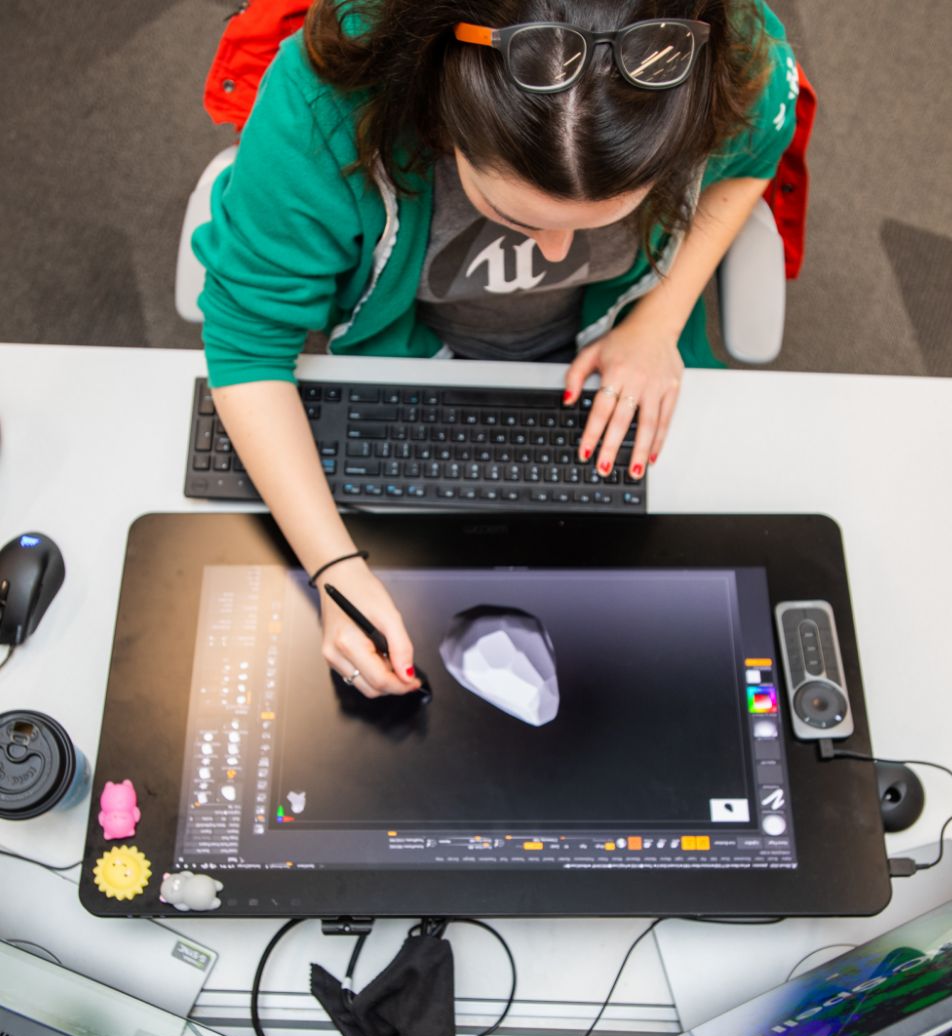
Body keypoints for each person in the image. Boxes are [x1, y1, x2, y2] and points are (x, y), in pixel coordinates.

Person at [193, 0, 799, 699]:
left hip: (620, 349)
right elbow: (246, 350)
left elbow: (756, 151)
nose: (555, 252)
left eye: (612, 213)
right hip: (409, 365)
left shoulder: (723, 52)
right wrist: (335, 572)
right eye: (515, 216)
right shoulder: (323, 104)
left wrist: (658, 320)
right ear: (439, 114)